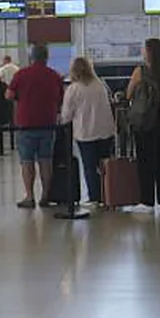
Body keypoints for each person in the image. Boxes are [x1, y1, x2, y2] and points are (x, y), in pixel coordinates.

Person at [7, 44, 65, 208]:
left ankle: (30, 196)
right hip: (48, 122)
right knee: (46, 160)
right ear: (46, 57)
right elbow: (61, 98)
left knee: (27, 161)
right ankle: (46, 195)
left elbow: (9, 95)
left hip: (26, 123)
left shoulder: (21, 74)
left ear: (31, 57)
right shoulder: (54, 75)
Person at [126, 38, 160, 211]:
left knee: (146, 159)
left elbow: (129, 93)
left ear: (149, 52)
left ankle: (146, 201)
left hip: (146, 118)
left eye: (144, 48)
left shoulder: (140, 71)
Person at [60, 56, 116, 207]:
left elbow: (66, 116)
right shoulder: (100, 85)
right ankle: (109, 195)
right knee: (105, 165)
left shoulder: (73, 89)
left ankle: (95, 197)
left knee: (90, 167)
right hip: (106, 130)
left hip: (86, 133)